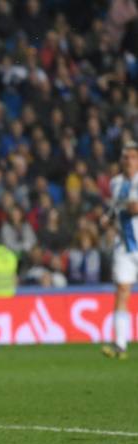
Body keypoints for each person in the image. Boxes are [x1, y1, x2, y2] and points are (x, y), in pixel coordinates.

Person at [101, 141, 138, 359]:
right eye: (125, 157)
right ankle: (120, 345)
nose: (129, 161)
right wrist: (107, 218)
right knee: (122, 292)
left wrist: (120, 208)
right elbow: (116, 208)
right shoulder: (115, 182)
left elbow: (134, 208)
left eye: (133, 156)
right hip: (124, 246)